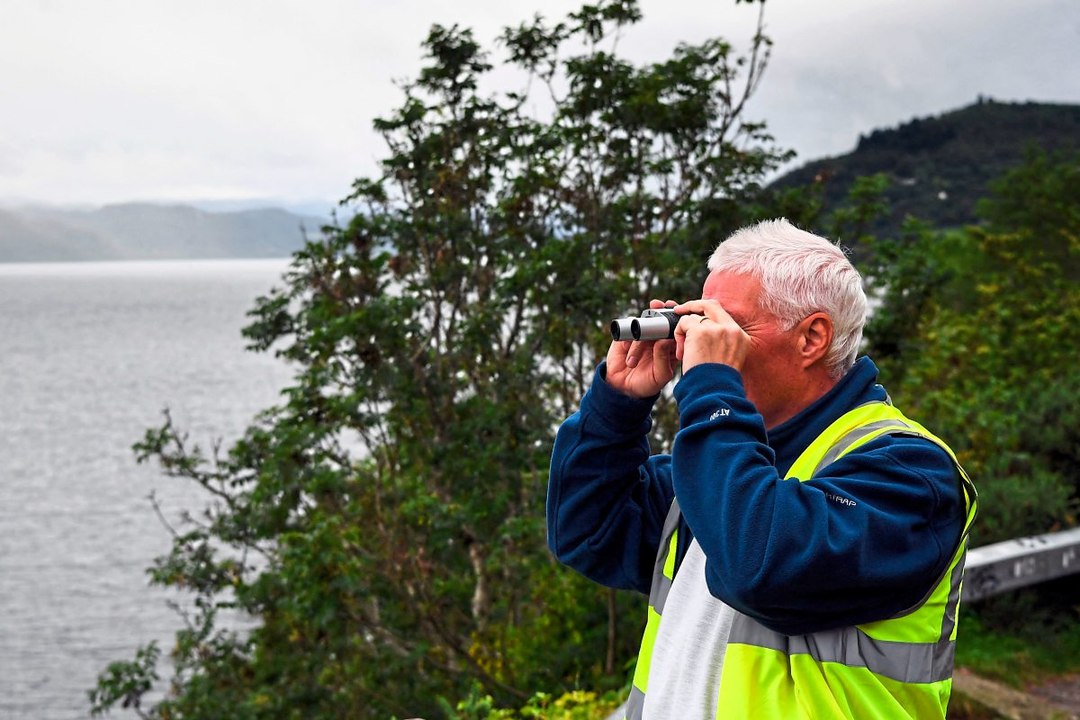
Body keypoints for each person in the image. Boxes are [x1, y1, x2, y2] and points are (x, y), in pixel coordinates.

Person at [546, 219, 977, 720]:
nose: (696, 344)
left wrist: (712, 387)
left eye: (728, 327)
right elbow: (586, 533)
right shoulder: (721, 466)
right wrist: (618, 402)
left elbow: (761, 569)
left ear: (813, 337)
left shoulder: (909, 473)